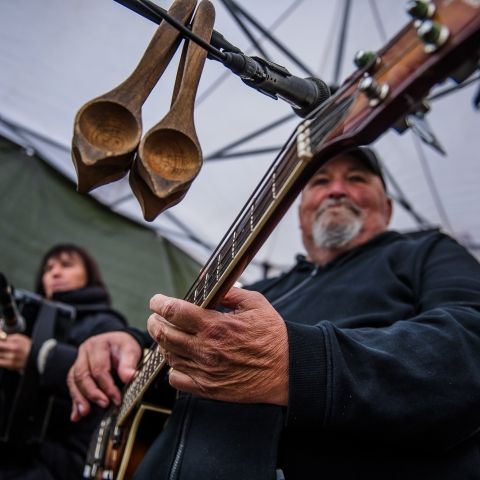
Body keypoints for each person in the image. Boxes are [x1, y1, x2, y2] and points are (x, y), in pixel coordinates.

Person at [67, 147, 480, 479]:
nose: (337, 189)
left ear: (386, 207)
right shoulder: (264, 289)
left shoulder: (426, 251)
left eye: (356, 179)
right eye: (320, 181)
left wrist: (301, 364)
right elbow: (185, 348)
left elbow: (470, 341)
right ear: (301, 212)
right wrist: (130, 343)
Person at [0, 244, 128, 480]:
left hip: (57, 464)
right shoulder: (28, 317)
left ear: (89, 275)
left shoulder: (106, 324)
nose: (55, 273)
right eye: (48, 269)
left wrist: (40, 356)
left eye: (66, 265)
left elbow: (112, 384)